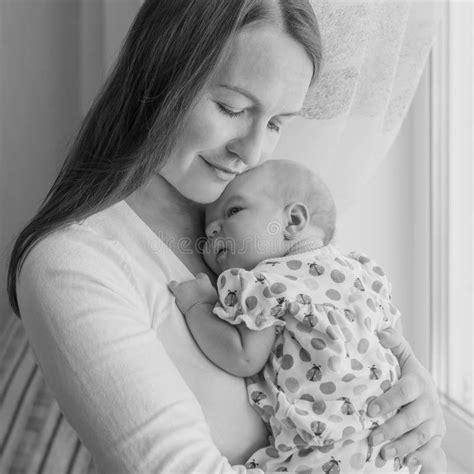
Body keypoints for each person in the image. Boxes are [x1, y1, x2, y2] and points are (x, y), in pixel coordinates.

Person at [7, 1, 446, 472]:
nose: (253, 150)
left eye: (276, 122)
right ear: (160, 77)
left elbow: (369, 359)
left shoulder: (266, 225)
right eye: (231, 108)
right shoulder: (72, 266)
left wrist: (414, 400)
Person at [169, 159, 414, 473]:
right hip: (389, 448)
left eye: (233, 211)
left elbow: (243, 357)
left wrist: (196, 308)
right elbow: (394, 339)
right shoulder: (362, 271)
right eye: (207, 233)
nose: (213, 229)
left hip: (323, 452)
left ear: (293, 220)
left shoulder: (267, 283)